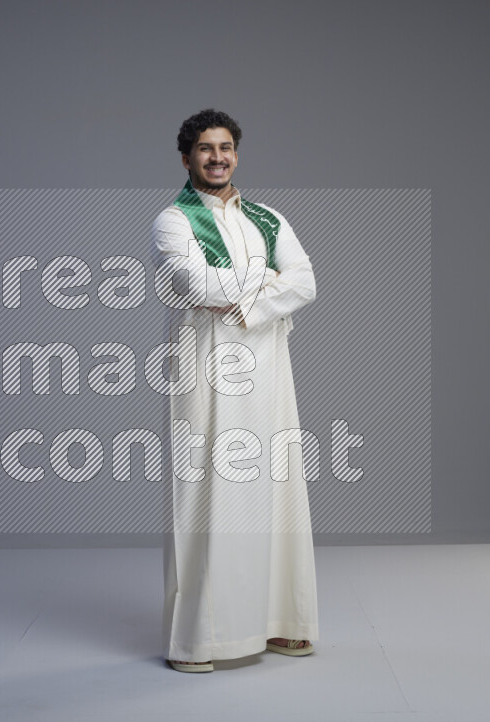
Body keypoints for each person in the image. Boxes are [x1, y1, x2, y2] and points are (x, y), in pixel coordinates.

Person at [151, 109, 319, 672]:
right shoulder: (174, 220)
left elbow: (306, 282)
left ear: (237, 155)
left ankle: (281, 622)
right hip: (205, 367)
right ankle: (201, 640)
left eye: (225, 148)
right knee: (206, 492)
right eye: (205, 148)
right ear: (186, 158)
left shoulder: (268, 219)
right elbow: (189, 281)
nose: (217, 157)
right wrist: (268, 282)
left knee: (277, 485)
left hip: (269, 367)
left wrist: (246, 301)